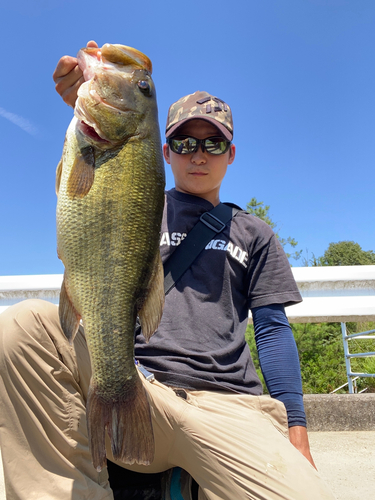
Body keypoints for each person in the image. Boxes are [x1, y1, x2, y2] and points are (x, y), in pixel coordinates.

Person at [0, 41, 335, 500]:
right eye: (185, 142)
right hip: (141, 388)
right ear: (165, 150)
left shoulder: (255, 232)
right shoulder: (142, 199)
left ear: (230, 153)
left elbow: (273, 332)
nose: (199, 154)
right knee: (19, 326)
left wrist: (296, 429)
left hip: (231, 406)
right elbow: (77, 187)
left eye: (213, 143)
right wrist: (86, 100)